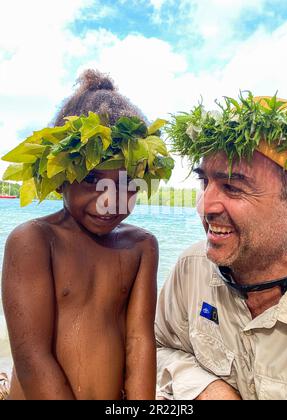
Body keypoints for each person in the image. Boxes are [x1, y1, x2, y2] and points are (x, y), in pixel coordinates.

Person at [1, 69, 173, 400]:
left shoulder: (141, 247)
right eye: (93, 180)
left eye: (125, 184)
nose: (110, 199)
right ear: (61, 176)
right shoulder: (35, 242)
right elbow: (32, 357)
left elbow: (139, 341)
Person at [155, 93, 287, 400]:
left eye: (233, 188)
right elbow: (160, 346)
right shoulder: (191, 267)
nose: (204, 206)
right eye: (204, 183)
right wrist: (205, 388)